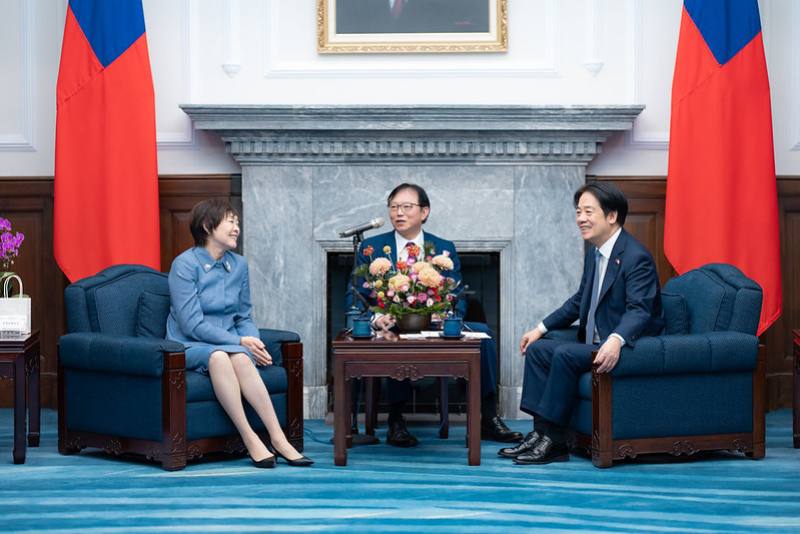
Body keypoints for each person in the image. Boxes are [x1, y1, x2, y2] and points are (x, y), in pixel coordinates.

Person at [500, 182, 664, 465]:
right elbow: (579, 302)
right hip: (596, 344)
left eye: (589, 211)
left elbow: (640, 311)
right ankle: (540, 433)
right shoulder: (595, 254)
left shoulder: (636, 258)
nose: (581, 219)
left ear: (611, 216)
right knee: (540, 349)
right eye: (578, 212)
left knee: (564, 353)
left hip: (629, 347)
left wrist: (615, 340)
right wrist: (540, 328)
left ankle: (555, 441)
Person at [346, 183, 521, 447]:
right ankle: (396, 418)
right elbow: (354, 296)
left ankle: (487, 418)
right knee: (396, 337)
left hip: (434, 324)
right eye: (393, 207)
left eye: (407, 207)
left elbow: (458, 294)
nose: (398, 213)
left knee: (484, 336)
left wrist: (447, 316)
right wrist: (376, 318)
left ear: (424, 212)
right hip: (390, 326)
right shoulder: (371, 248)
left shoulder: (442, 247)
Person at [166, 199, 313, 468]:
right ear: (208, 226)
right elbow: (191, 325)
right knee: (221, 356)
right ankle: (249, 437)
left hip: (229, 342)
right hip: (189, 344)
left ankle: (278, 438)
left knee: (242, 358)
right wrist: (239, 341)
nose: (236, 228)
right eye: (230, 222)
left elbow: (243, 315)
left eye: (237, 223)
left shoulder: (239, 265)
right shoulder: (184, 265)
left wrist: (253, 341)